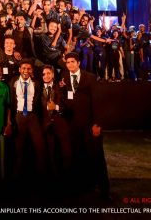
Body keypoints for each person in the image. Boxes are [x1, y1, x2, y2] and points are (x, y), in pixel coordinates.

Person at [61, 51, 110, 199]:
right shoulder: (64, 78)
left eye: (72, 62)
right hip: (74, 126)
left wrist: (97, 124)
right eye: (67, 62)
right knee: (79, 156)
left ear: (78, 63)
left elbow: (98, 102)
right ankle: (85, 185)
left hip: (90, 125)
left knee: (97, 156)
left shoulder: (90, 77)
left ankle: (104, 190)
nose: (70, 64)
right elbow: (67, 100)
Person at [9, 59, 46, 179]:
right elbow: (10, 101)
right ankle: (16, 176)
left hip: (33, 117)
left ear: (32, 70)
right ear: (19, 69)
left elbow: (39, 100)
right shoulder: (13, 81)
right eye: (24, 68)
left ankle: (40, 176)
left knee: (40, 147)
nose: (26, 70)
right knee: (18, 149)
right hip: (19, 117)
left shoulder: (36, 83)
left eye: (28, 68)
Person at [38, 64, 72, 179]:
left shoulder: (60, 87)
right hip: (45, 126)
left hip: (60, 124)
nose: (46, 76)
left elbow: (67, 107)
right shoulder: (38, 89)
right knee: (49, 153)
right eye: (44, 74)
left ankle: (66, 178)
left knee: (65, 152)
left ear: (53, 74)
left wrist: (56, 107)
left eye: (48, 73)